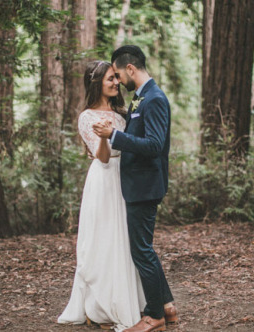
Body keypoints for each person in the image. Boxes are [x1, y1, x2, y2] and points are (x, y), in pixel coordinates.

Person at [93, 45, 177, 332]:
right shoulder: (140, 99)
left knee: (141, 251)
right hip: (136, 185)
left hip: (145, 186)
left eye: (118, 74)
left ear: (130, 68)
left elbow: (154, 146)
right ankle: (167, 305)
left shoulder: (154, 99)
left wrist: (114, 135)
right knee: (144, 249)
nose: (117, 81)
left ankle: (154, 316)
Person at [57, 61, 146, 331]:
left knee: (123, 238)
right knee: (103, 238)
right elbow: (103, 158)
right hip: (104, 179)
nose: (116, 83)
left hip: (124, 178)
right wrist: (106, 137)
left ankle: (127, 296)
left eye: (116, 78)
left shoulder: (121, 113)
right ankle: (100, 304)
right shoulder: (87, 117)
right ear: (97, 82)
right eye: (110, 79)